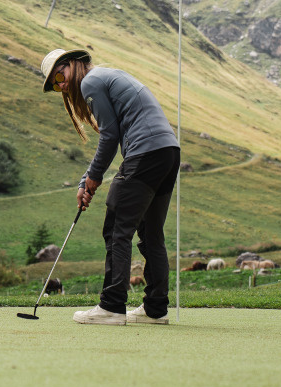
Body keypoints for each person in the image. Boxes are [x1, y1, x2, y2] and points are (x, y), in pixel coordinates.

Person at [41, 48, 181, 326]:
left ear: (71, 64)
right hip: (167, 152)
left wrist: (92, 178)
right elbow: (114, 134)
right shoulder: (106, 76)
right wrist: (87, 179)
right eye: (55, 85)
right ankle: (155, 309)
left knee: (117, 227)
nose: (61, 84)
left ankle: (112, 306)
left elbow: (109, 136)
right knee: (151, 233)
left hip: (145, 152)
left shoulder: (91, 81)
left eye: (60, 75)